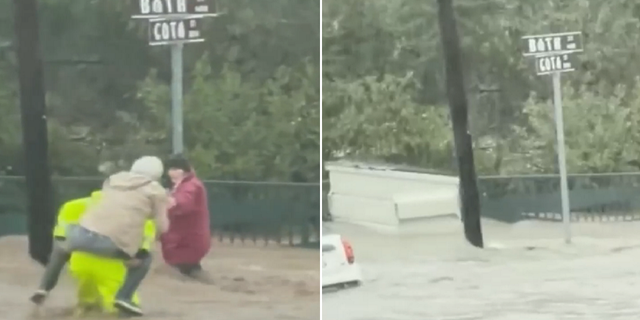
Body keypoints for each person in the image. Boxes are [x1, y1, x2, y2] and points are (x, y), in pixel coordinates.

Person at [30, 156, 170, 316]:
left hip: (81, 236)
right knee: (145, 259)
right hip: (113, 245)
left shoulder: (112, 180)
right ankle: (124, 297)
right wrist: (163, 207)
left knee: (61, 249)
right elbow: (162, 226)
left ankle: (44, 288)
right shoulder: (156, 191)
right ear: (157, 175)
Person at [60, 191, 157, 316]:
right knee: (122, 308)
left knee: (87, 304)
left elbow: (63, 237)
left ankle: (85, 307)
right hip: (111, 263)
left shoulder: (75, 205)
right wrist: (140, 254)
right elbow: (144, 236)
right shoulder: (135, 211)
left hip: (79, 260)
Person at [161, 154, 211, 282]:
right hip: (187, 241)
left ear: (180, 170)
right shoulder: (188, 184)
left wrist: (168, 202)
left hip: (184, 242)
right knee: (190, 269)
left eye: (172, 169)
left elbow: (183, 203)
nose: (169, 173)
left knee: (178, 269)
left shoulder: (190, 186)